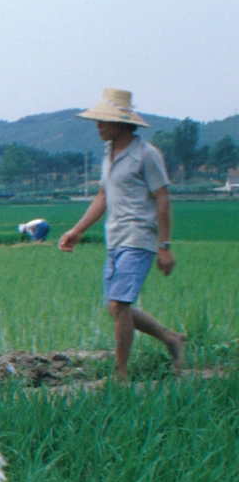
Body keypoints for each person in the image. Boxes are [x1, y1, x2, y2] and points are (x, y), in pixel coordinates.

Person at [58, 88, 184, 380]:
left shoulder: (146, 155)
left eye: (103, 121)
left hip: (139, 238)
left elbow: (163, 198)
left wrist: (165, 246)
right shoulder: (108, 154)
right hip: (114, 238)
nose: (98, 126)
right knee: (114, 308)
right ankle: (171, 339)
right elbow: (104, 195)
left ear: (122, 123)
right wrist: (78, 229)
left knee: (119, 304)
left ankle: (120, 373)